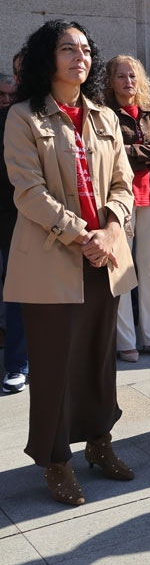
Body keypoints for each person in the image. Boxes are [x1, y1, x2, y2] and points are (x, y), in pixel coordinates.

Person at [6, 20, 138, 505]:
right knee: (53, 366)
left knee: (99, 359)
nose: (79, 56)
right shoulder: (24, 116)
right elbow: (28, 191)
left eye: (85, 49)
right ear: (48, 58)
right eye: (67, 48)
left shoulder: (104, 116)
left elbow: (123, 184)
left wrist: (109, 229)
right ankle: (56, 460)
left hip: (104, 258)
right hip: (51, 259)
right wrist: (83, 234)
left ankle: (99, 443)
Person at [104, 55, 150, 361]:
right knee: (121, 269)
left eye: (132, 76)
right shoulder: (104, 114)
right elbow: (110, 152)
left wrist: (130, 150)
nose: (128, 81)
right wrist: (146, 151)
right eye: (121, 76)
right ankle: (125, 341)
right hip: (120, 197)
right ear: (110, 80)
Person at [0, 73, 27, 393]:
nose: (5, 99)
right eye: (1, 94)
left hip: (17, 222)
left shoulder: (19, 122)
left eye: (11, 94)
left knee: (18, 297)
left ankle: (17, 365)